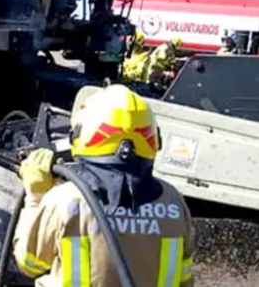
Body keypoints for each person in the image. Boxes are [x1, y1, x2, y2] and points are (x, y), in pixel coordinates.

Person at [13, 84, 195, 287]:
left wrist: (35, 197)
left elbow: (29, 264)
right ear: (153, 138)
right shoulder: (173, 202)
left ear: (84, 135)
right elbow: (184, 279)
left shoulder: (65, 200)